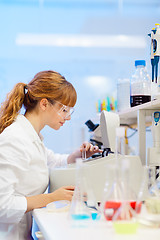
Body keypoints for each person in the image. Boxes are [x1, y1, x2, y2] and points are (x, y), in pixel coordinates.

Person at [0, 70, 102, 240]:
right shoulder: (15, 139)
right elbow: (2, 205)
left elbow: (53, 161)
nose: (67, 117)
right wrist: (52, 198)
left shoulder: (31, 136)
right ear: (44, 104)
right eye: (64, 110)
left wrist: (79, 154)